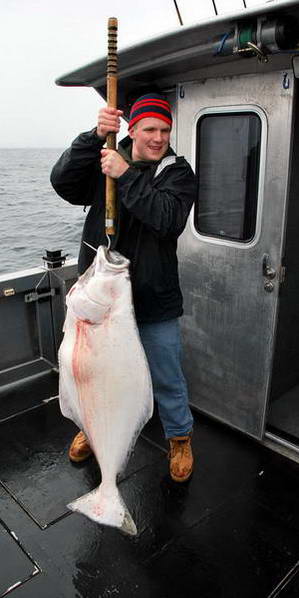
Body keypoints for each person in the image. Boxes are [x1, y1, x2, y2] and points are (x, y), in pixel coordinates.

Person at [51, 93, 196, 483]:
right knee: (90, 372)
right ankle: (90, 425)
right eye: (150, 128)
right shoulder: (107, 156)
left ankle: (179, 436)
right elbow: (62, 182)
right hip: (101, 298)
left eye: (165, 130)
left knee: (167, 373)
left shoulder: (178, 173)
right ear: (132, 130)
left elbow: (167, 219)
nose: (158, 137)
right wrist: (94, 136)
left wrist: (126, 175)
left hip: (153, 299)